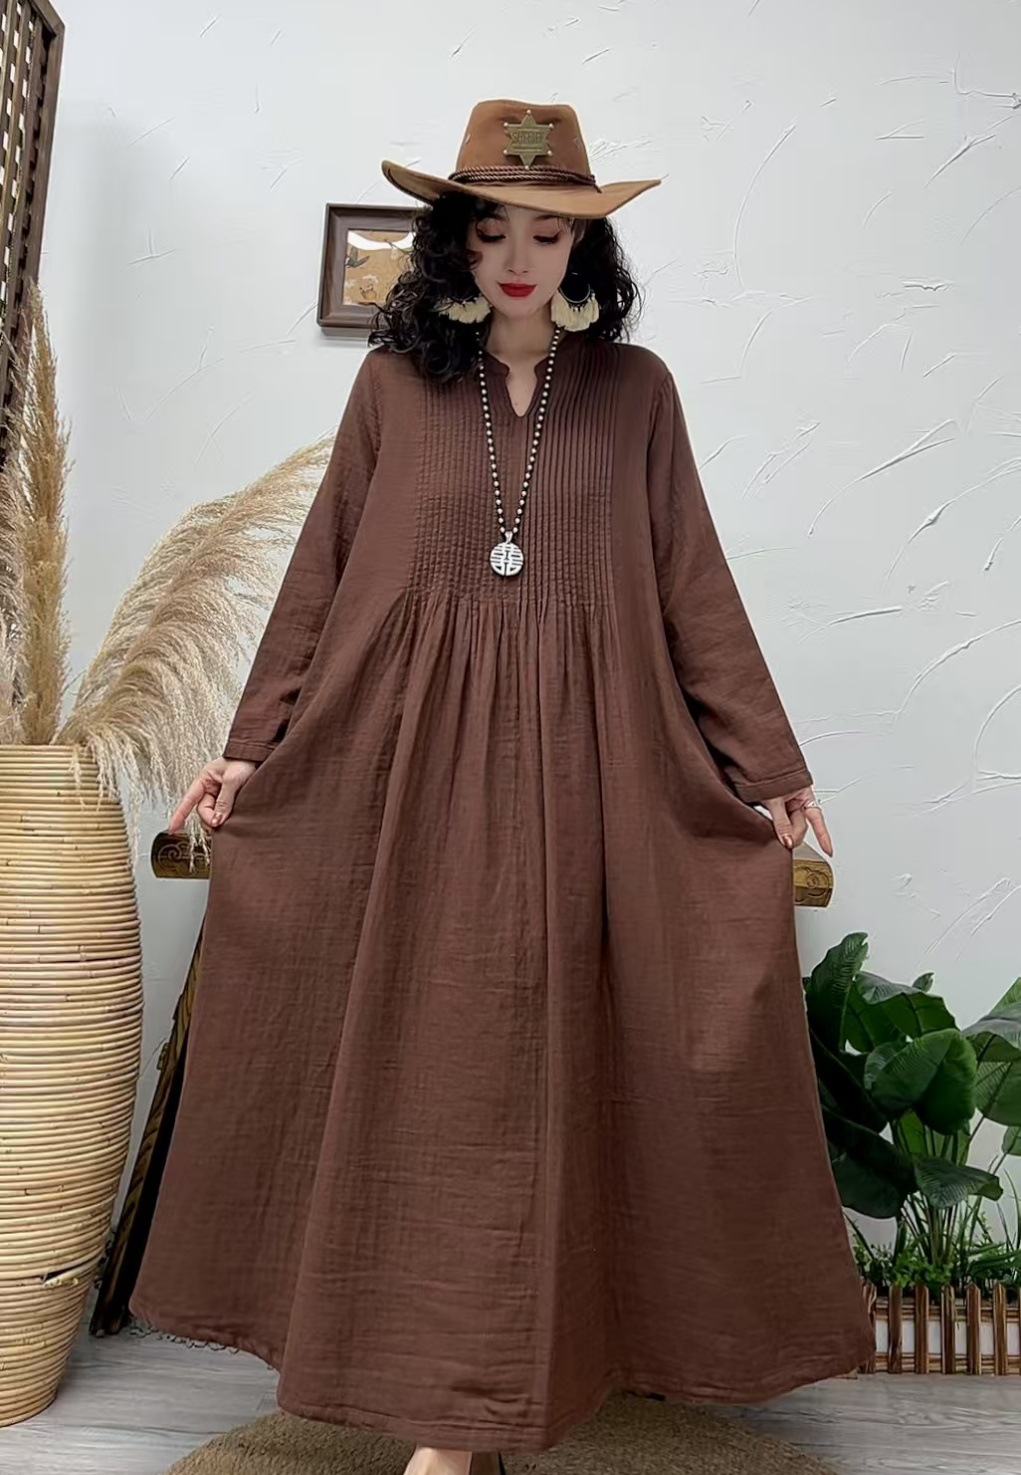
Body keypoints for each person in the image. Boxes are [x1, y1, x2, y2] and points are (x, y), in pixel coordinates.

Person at [128, 99, 874, 1474]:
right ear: (453, 244)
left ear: (585, 248)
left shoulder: (636, 392)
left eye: (548, 231)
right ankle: (449, 1415)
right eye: (491, 230)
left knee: (568, 1067)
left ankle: (522, 1389)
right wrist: (251, 745)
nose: (519, 258)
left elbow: (691, 581)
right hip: (403, 764)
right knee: (439, 1075)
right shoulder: (391, 389)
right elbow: (321, 573)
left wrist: (768, 767)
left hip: (600, 766)